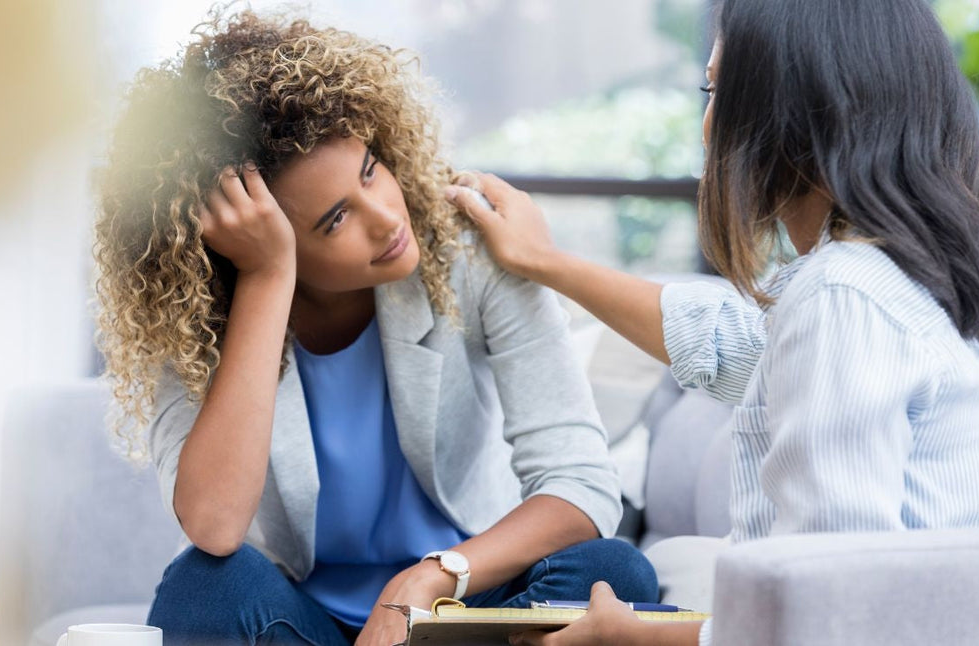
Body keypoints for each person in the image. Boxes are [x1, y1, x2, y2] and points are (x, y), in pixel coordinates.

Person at [445, 0, 979, 644]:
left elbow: (828, 610)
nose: (708, 128)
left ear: (793, 110)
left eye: (718, 91)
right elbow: (736, 348)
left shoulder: (842, 295)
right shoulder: (964, 282)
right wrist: (545, 262)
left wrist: (629, 639)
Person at [93, 9, 658, 646]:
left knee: (614, 571)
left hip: (462, 608)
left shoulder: (470, 257)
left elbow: (580, 486)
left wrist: (430, 577)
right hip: (304, 627)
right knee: (202, 583)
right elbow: (215, 527)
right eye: (334, 220)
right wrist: (267, 280)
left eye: (370, 171)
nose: (388, 218)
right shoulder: (198, 319)